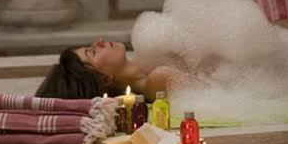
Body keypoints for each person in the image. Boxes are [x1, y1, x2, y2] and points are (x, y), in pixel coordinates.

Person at [35, 38, 189, 101]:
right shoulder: (159, 79)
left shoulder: (148, 62)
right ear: (104, 78)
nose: (99, 41)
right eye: (93, 52)